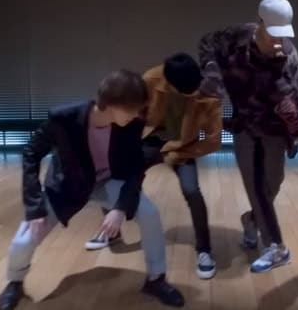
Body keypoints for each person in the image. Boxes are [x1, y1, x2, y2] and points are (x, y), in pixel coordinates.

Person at [0, 70, 185, 310]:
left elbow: (136, 168)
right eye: (132, 110)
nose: (137, 115)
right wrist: (34, 206)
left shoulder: (131, 124)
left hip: (108, 181)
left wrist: (120, 208)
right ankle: (14, 283)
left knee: (149, 213)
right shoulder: (64, 118)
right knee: (24, 240)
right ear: (111, 105)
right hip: (69, 185)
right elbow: (31, 153)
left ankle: (156, 279)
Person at [85, 53, 223, 280]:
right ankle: (111, 231)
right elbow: (128, 112)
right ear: (168, 81)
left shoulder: (208, 94)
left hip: (183, 146)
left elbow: (213, 140)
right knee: (115, 178)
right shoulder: (151, 80)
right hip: (149, 141)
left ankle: (204, 250)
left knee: (192, 190)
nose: (190, 94)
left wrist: (179, 152)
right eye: (182, 91)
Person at [197, 0, 298, 273]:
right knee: (256, 184)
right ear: (259, 21)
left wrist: (293, 126)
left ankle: (252, 220)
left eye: (283, 33)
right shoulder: (234, 38)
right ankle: (276, 247)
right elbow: (206, 44)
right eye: (273, 32)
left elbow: (297, 97)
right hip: (244, 124)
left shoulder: (288, 54)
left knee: (272, 183)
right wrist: (212, 73)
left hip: (274, 128)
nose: (278, 39)